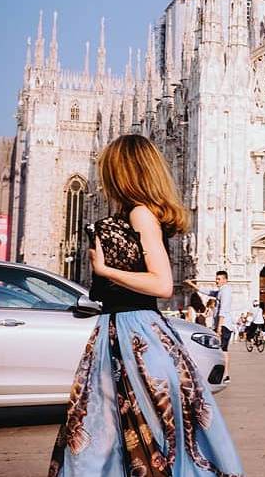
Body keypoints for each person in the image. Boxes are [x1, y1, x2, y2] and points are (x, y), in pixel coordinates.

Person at [48, 134, 243, 476]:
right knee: (107, 426)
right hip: (117, 332)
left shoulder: (141, 214)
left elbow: (162, 283)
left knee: (140, 428)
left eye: (108, 169)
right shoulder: (133, 215)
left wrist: (105, 269)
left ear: (123, 172)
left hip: (136, 332)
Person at [214, 270, 235, 384]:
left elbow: (223, 309)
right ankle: (224, 374)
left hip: (224, 325)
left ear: (225, 280)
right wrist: (194, 286)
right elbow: (210, 292)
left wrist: (219, 327)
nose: (216, 281)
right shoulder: (221, 291)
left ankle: (224, 375)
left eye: (218, 279)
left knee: (221, 351)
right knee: (223, 350)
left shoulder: (225, 291)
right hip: (224, 325)